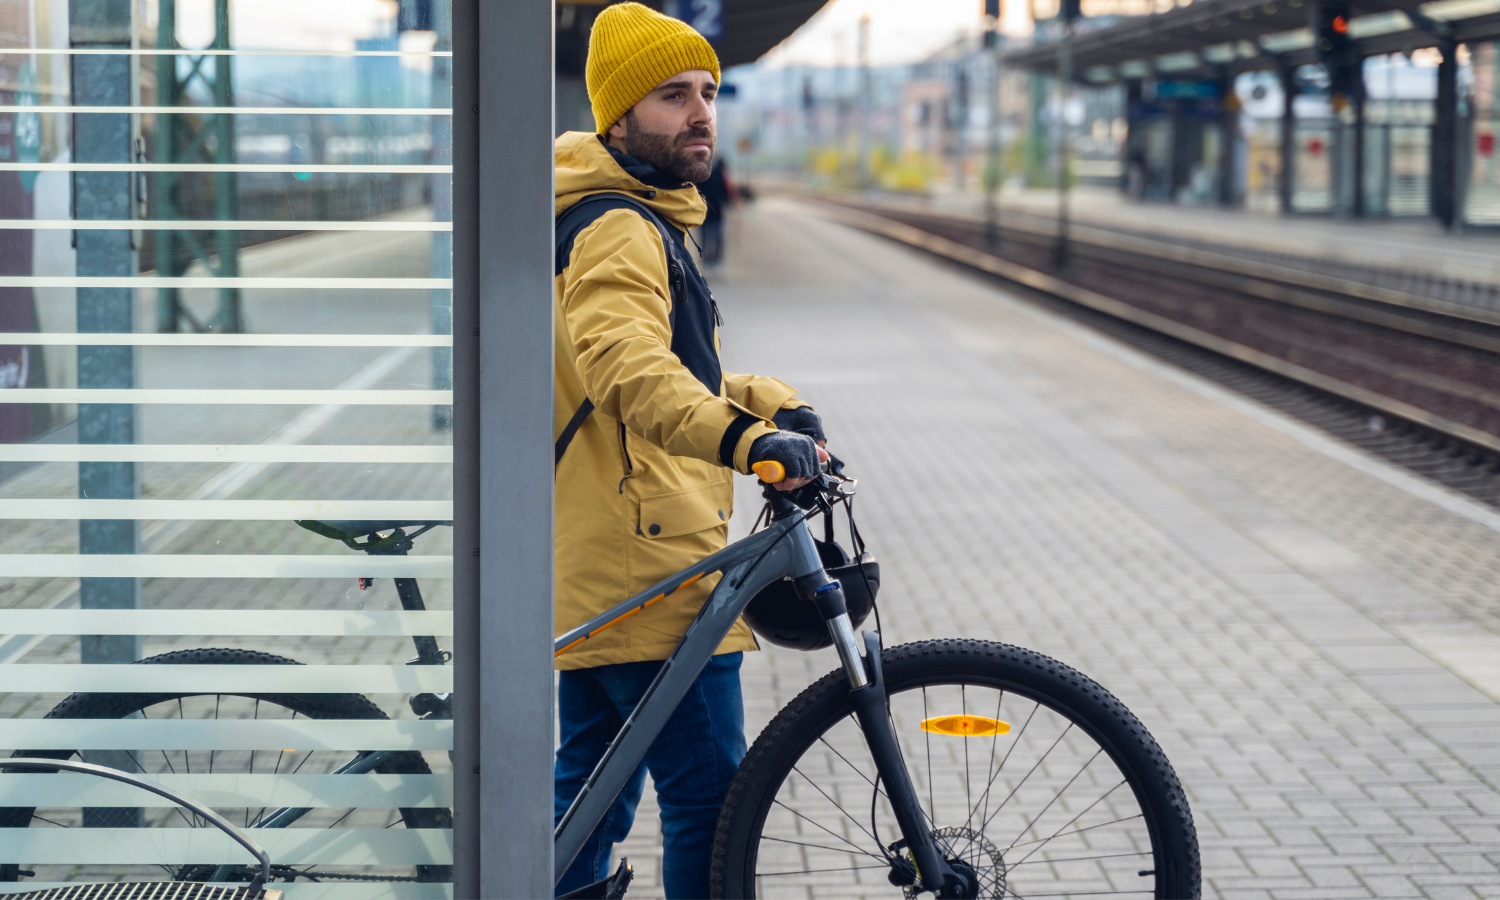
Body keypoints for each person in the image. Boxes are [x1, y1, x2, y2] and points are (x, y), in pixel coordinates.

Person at [551, 4, 830, 897]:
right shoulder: (618, 226)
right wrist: (747, 440)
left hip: (614, 556)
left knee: (586, 803)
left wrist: (769, 403)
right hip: (651, 568)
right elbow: (626, 372)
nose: (701, 113)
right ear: (618, 118)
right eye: (672, 96)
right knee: (713, 810)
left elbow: (672, 370)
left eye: (707, 92)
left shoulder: (636, 218)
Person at [697, 156, 734, 265]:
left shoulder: (702, 174)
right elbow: (726, 192)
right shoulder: (717, 174)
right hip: (710, 211)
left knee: (707, 236)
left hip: (706, 211)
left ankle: (708, 257)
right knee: (714, 236)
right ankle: (712, 257)